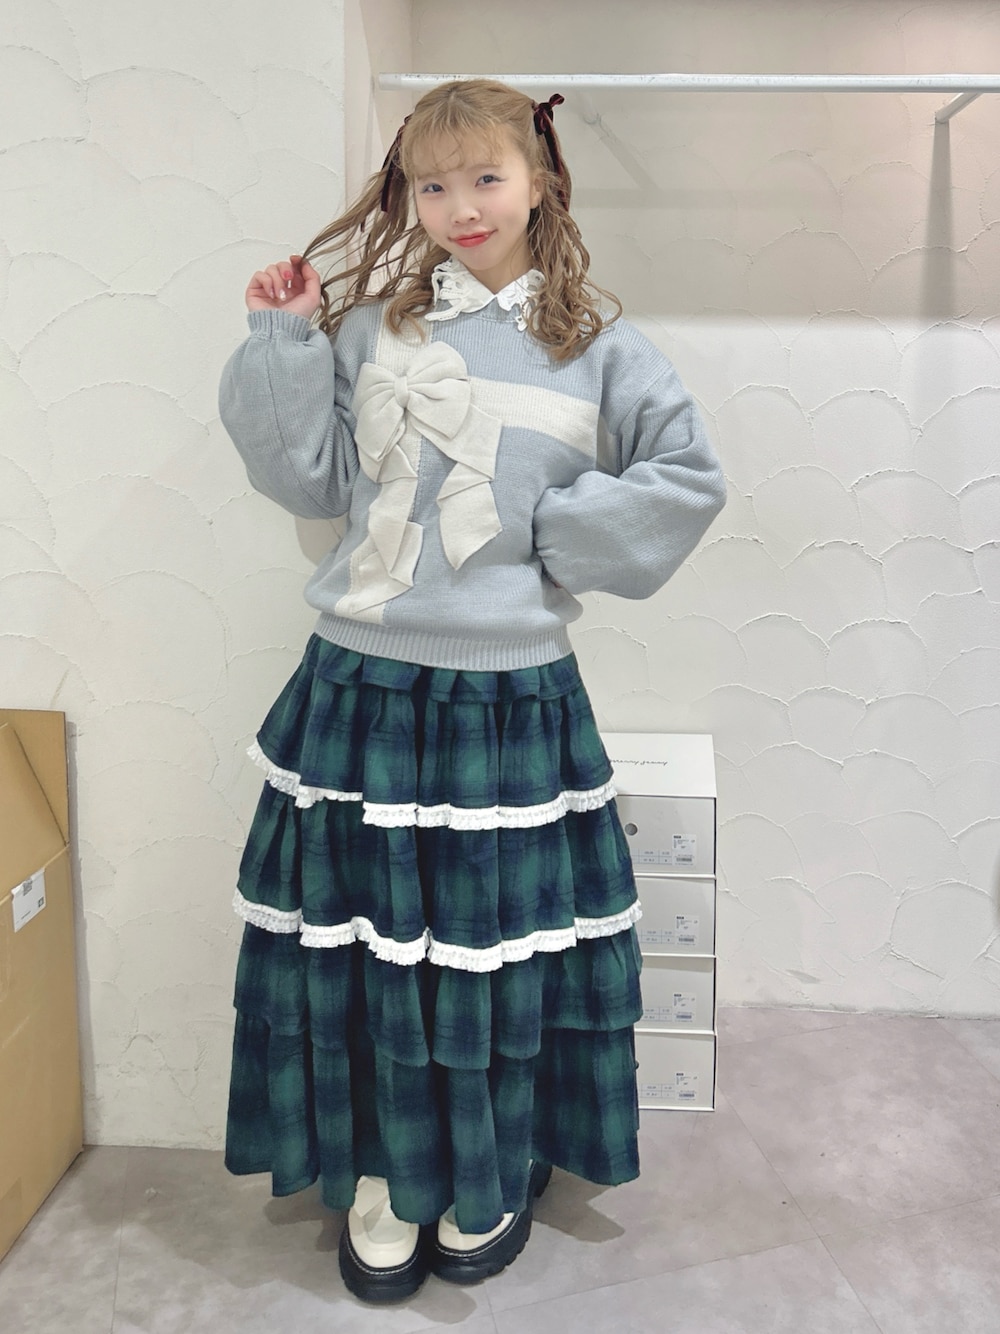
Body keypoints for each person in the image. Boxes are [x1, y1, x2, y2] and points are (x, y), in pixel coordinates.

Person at [218, 77, 726, 1306]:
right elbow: (307, 480)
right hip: (359, 687)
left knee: (490, 952)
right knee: (367, 944)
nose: (460, 206)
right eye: (432, 184)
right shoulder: (366, 333)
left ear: (540, 181)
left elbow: (686, 477)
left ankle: (484, 1167)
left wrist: (548, 531)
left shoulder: (600, 349)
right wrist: (284, 337)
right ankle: (386, 1169)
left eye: (485, 177)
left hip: (510, 701)